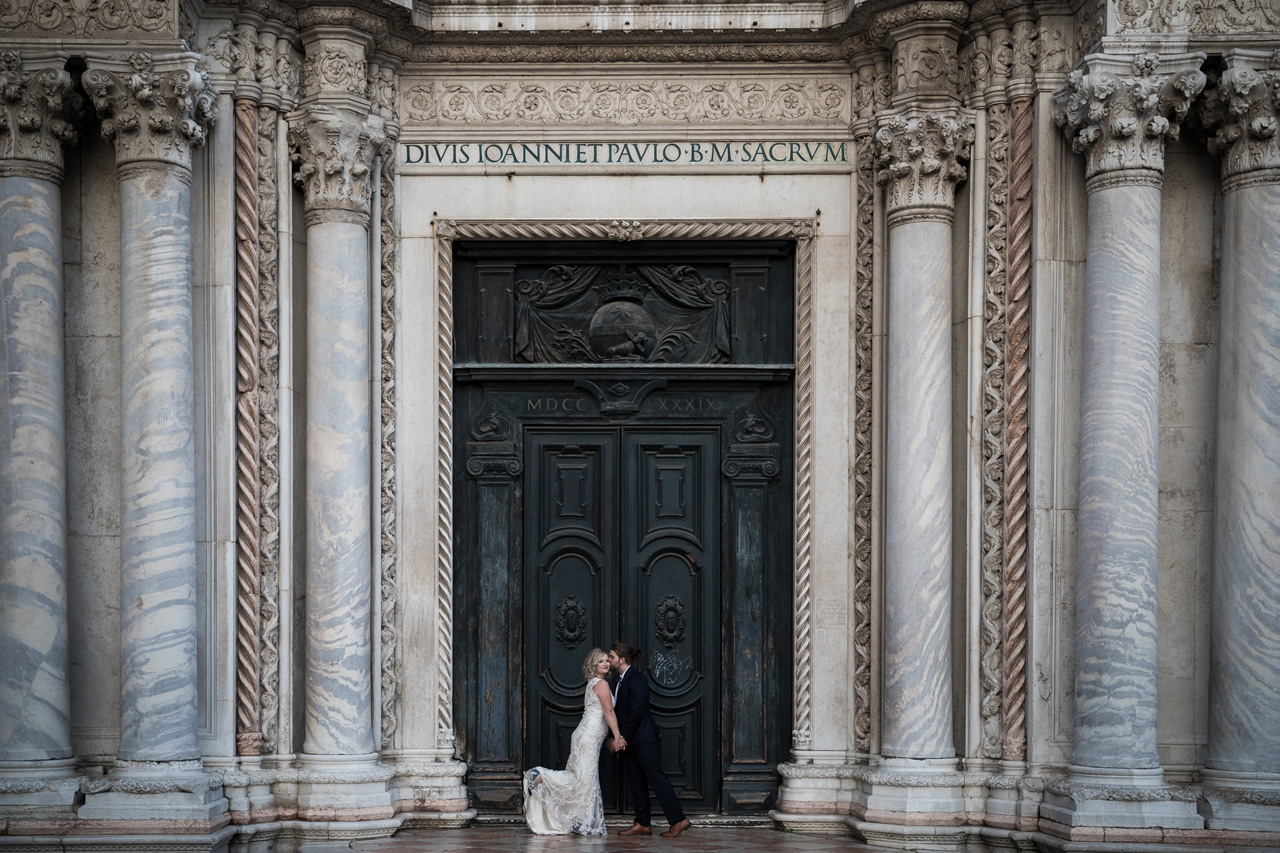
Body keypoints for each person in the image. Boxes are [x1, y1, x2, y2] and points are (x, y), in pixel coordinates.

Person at [522, 648, 623, 836]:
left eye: (607, 661)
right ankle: (540, 775)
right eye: (600, 661)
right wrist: (617, 736)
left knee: (583, 779)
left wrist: (609, 736)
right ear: (594, 664)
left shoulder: (593, 682)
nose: (606, 664)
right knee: (583, 780)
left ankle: (580, 821)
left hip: (586, 735)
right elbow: (609, 713)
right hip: (589, 736)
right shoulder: (600, 684)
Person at [607, 643, 693, 838]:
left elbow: (636, 712)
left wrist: (621, 737)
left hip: (643, 739)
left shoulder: (636, 679)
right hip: (629, 741)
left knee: (657, 779)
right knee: (636, 782)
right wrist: (615, 737)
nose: (609, 660)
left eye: (611, 657)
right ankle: (642, 823)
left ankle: (679, 820)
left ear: (622, 659)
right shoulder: (619, 681)